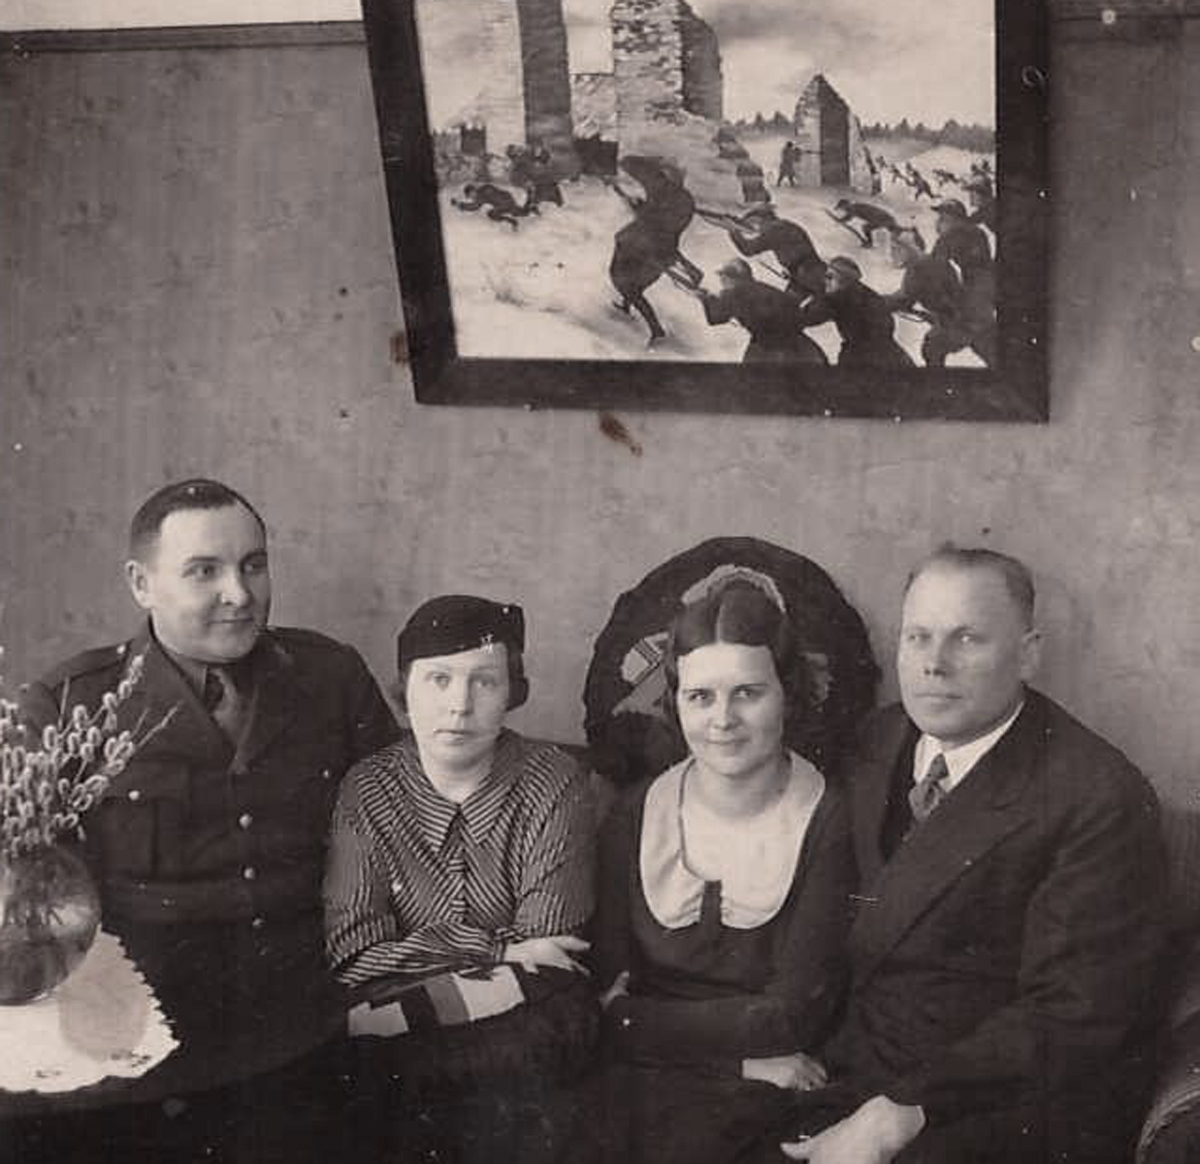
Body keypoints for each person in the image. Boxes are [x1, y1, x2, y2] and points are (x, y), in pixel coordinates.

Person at [14, 478, 400, 1163]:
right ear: (141, 584)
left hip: (304, 1009)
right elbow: (28, 901)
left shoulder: (330, 678)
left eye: (254, 565)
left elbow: (401, 830)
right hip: (143, 1015)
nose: (240, 593)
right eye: (204, 571)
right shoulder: (72, 704)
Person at [779, 546, 1167, 1164]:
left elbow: (1072, 1015)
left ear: (1028, 654)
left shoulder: (1097, 794)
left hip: (982, 1108)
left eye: (966, 639)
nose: (934, 664)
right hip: (843, 1070)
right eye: (918, 637)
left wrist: (901, 1113)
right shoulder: (874, 740)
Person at [324, 594, 596, 1163]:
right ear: (405, 689)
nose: (460, 705)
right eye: (439, 680)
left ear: (512, 693)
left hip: (519, 1030)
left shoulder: (554, 780)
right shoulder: (368, 789)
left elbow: (550, 952)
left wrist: (417, 958)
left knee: (552, 1014)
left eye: (485, 682)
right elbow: (354, 954)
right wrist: (495, 949)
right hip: (427, 1031)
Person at [593, 579, 856, 1164]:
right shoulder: (635, 812)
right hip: (646, 1078)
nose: (723, 720)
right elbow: (602, 1004)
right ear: (676, 703)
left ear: (787, 694)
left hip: (778, 1089)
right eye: (700, 697)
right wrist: (739, 1060)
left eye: (748, 693)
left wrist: (638, 1020)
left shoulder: (828, 818)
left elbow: (793, 1016)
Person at [883, 229, 995, 367]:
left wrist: (876, 303)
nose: (892, 253)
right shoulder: (931, 261)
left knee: (932, 349)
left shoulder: (918, 268)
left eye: (897, 248)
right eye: (892, 248)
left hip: (963, 322)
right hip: (974, 316)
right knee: (991, 353)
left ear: (911, 248)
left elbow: (904, 299)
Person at [693, 258, 828, 364]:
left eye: (722, 277)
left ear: (729, 278)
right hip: (802, 346)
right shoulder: (765, 288)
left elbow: (715, 318)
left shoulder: (733, 293)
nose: (721, 282)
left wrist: (705, 299)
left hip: (769, 349)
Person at [796, 256, 914, 367]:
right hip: (893, 353)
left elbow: (805, 318)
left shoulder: (837, 299)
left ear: (844, 281)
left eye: (830, 277)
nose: (825, 281)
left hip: (860, 357)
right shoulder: (865, 292)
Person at [725, 205, 826, 301]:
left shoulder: (774, 230)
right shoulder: (785, 225)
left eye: (756, 225)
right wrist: (791, 269)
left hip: (808, 276)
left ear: (760, 220)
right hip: (808, 274)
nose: (758, 230)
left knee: (790, 307)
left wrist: (733, 231)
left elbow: (748, 249)